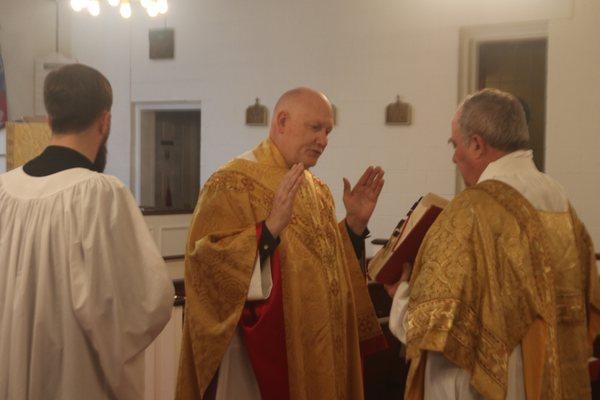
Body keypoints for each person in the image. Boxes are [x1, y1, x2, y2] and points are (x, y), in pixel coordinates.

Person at [387, 88, 600, 400]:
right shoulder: (558, 198)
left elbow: (434, 325)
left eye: (455, 144)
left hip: (492, 383)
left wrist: (400, 296)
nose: (453, 157)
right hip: (554, 377)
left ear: (476, 144)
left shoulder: (472, 208)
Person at [176, 87, 387, 400]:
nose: (324, 140)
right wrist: (268, 231)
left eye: (328, 130)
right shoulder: (231, 183)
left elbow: (325, 269)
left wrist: (354, 227)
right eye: (315, 128)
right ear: (282, 121)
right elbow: (206, 266)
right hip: (256, 361)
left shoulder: (317, 191)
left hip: (317, 352)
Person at [0, 63, 174, 400]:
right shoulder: (101, 194)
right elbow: (144, 303)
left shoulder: (4, 190)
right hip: (73, 380)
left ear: (50, 120)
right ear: (105, 120)